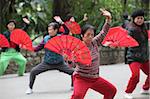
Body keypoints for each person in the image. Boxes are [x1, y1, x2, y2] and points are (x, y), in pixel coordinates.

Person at [70, 9, 117, 99]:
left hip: (95, 78)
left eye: (92, 34)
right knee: (77, 96)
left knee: (111, 91)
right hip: (81, 78)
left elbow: (103, 33)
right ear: (82, 36)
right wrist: (68, 60)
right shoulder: (77, 48)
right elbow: (72, 65)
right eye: (88, 35)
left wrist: (108, 19)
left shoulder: (94, 42)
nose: (90, 37)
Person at [26, 22, 74, 94]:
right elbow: (38, 48)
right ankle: (30, 88)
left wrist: (61, 23)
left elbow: (67, 31)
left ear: (56, 30)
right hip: (47, 63)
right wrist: (29, 47)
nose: (49, 31)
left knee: (74, 73)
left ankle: (73, 86)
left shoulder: (60, 37)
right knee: (33, 72)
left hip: (60, 63)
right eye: (48, 30)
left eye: (51, 30)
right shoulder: (46, 38)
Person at [124, 9, 149, 99]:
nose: (140, 20)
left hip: (144, 58)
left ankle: (145, 88)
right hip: (133, 58)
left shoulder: (144, 27)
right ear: (134, 19)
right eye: (138, 18)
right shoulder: (131, 29)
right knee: (135, 76)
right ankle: (128, 92)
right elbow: (126, 38)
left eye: (141, 18)